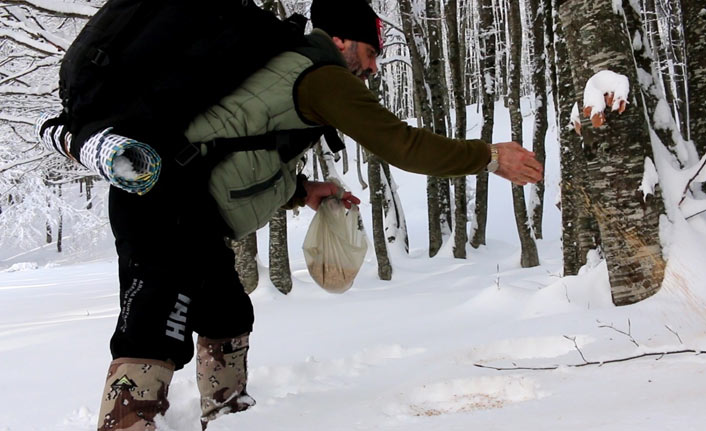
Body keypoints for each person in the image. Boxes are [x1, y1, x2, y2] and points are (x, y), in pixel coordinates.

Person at [96, 0, 543, 430]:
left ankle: (233, 420)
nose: (372, 68)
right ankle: (127, 424)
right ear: (341, 39)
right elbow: (403, 145)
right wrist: (488, 156)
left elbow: (236, 145)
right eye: (370, 54)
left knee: (227, 316)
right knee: (155, 328)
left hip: (191, 209)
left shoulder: (296, 70)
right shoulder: (321, 75)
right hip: (160, 199)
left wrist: (304, 191)